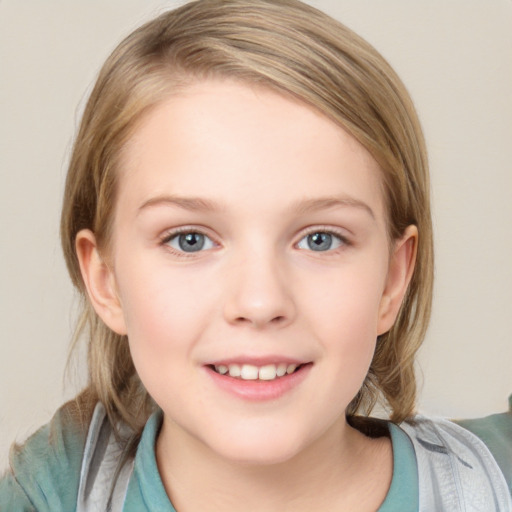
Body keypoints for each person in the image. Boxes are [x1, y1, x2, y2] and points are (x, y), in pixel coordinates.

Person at [1, 0, 510, 510]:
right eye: (190, 239)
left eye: (320, 239)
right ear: (105, 279)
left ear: (392, 280)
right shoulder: (46, 494)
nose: (261, 301)